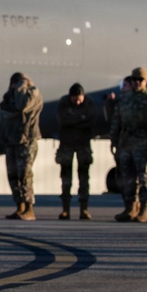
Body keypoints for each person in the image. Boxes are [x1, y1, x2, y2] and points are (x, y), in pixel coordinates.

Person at [110, 67, 147, 223]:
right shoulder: (125, 99)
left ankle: (144, 210)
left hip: (143, 142)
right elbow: (116, 121)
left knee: (144, 177)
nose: (137, 83)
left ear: (145, 81)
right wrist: (114, 141)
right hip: (126, 142)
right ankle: (130, 208)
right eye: (134, 80)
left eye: (140, 80)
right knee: (127, 177)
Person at [0, 72, 43, 220]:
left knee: (25, 175)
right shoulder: (10, 96)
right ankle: (20, 206)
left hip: (26, 140)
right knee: (13, 174)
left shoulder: (33, 93)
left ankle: (29, 208)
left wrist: (21, 86)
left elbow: (23, 106)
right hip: (12, 140)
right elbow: (4, 109)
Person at [56, 83, 95, 220]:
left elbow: (91, 121)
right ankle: (65, 209)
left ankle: (84, 209)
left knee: (84, 178)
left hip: (83, 144)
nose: (77, 102)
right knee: (66, 178)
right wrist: (80, 120)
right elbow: (63, 121)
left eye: (80, 99)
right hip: (67, 144)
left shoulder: (89, 103)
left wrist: (74, 121)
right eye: (75, 99)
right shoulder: (63, 103)